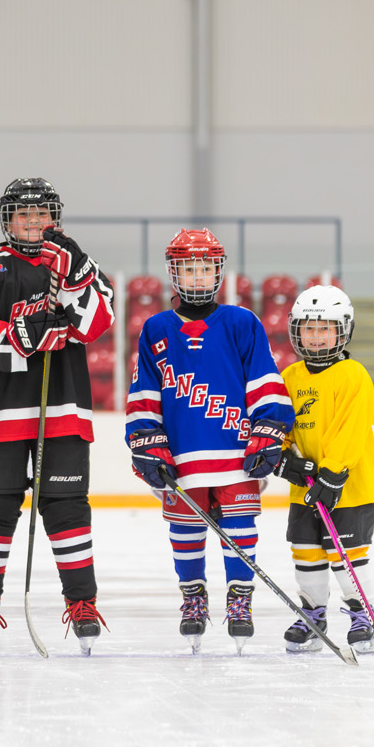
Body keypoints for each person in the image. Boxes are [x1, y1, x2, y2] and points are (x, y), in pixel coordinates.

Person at [0, 178, 117, 653]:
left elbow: (95, 324)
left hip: (60, 407)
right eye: (22, 214)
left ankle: (81, 602)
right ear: (7, 219)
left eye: (40, 213)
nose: (31, 222)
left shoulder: (76, 265)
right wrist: (22, 337)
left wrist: (77, 275)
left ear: (54, 218)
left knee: (67, 507)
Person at [124, 228, 295, 653]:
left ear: (218, 271)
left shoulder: (241, 322)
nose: (197, 277)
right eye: (189, 268)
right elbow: (145, 391)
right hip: (182, 456)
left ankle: (240, 599)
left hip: (236, 453)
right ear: (174, 273)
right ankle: (193, 598)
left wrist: (268, 432)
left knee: (241, 528)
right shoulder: (156, 329)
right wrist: (147, 442)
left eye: (205, 268)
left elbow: (264, 382)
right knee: (184, 530)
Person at [274, 285, 374, 654]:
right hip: (304, 490)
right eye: (309, 328)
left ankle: (360, 615)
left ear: (342, 330)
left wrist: (332, 474)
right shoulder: (289, 377)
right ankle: (312, 614)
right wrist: (284, 459)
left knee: (346, 555)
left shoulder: (353, 375)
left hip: (346, 489)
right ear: (295, 330)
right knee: (306, 552)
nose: (316, 336)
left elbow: (352, 429)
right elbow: (279, 425)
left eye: (325, 328)